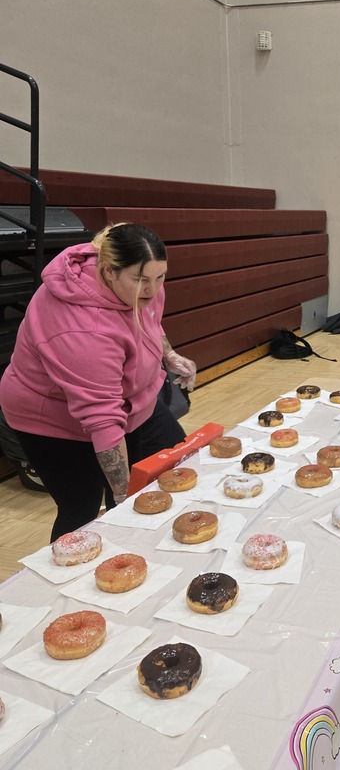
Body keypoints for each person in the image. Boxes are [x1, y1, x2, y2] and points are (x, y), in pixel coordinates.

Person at [0, 223, 196, 540]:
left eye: (160, 277)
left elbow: (148, 318)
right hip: (52, 417)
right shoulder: (84, 330)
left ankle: (126, 536)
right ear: (108, 272)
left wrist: (169, 354)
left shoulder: (138, 279)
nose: (152, 289)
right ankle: (73, 563)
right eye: (142, 280)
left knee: (167, 459)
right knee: (81, 506)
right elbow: (102, 418)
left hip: (124, 400)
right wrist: (123, 497)